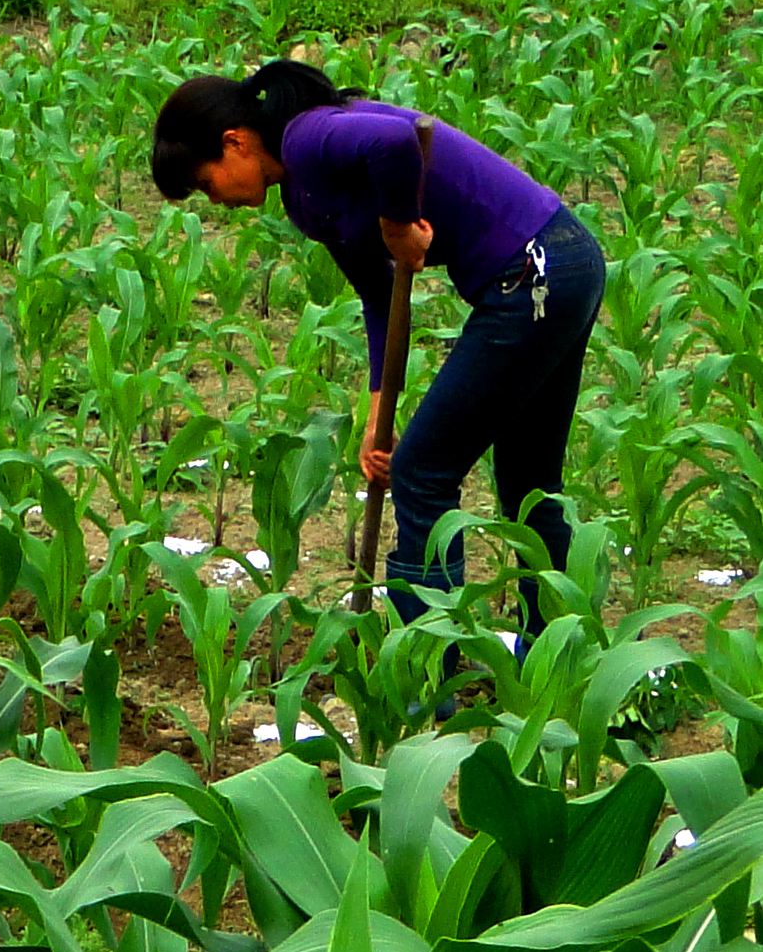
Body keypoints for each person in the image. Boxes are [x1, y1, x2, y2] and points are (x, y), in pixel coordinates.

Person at [150, 60, 605, 642]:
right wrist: (376, 416)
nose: (214, 202)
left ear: (233, 142)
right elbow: (380, 294)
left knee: (422, 474)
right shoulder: (304, 193)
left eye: (206, 183)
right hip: (564, 261)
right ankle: (557, 652)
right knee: (528, 482)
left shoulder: (308, 137)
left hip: (533, 277)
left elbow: (395, 141)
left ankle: (424, 671)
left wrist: (397, 222)